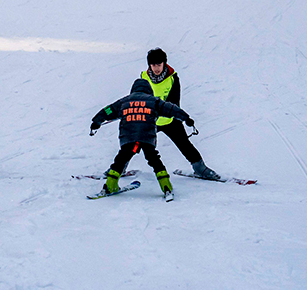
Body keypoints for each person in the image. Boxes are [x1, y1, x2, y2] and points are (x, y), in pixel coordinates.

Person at [90, 79, 193, 198]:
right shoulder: (155, 101)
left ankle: (109, 185)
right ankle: (166, 187)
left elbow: (107, 110)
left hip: (128, 137)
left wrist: (96, 122)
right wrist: (186, 118)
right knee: (154, 160)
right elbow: (171, 109)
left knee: (121, 159)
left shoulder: (123, 102)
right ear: (149, 90)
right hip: (146, 137)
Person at [141, 48, 219, 180]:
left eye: (159, 64)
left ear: (164, 63)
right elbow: (139, 98)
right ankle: (118, 169)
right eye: (153, 65)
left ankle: (200, 168)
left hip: (170, 119)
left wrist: (183, 117)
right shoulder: (144, 77)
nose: (156, 68)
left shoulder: (172, 78)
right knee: (133, 143)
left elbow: (174, 102)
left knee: (184, 144)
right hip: (150, 119)